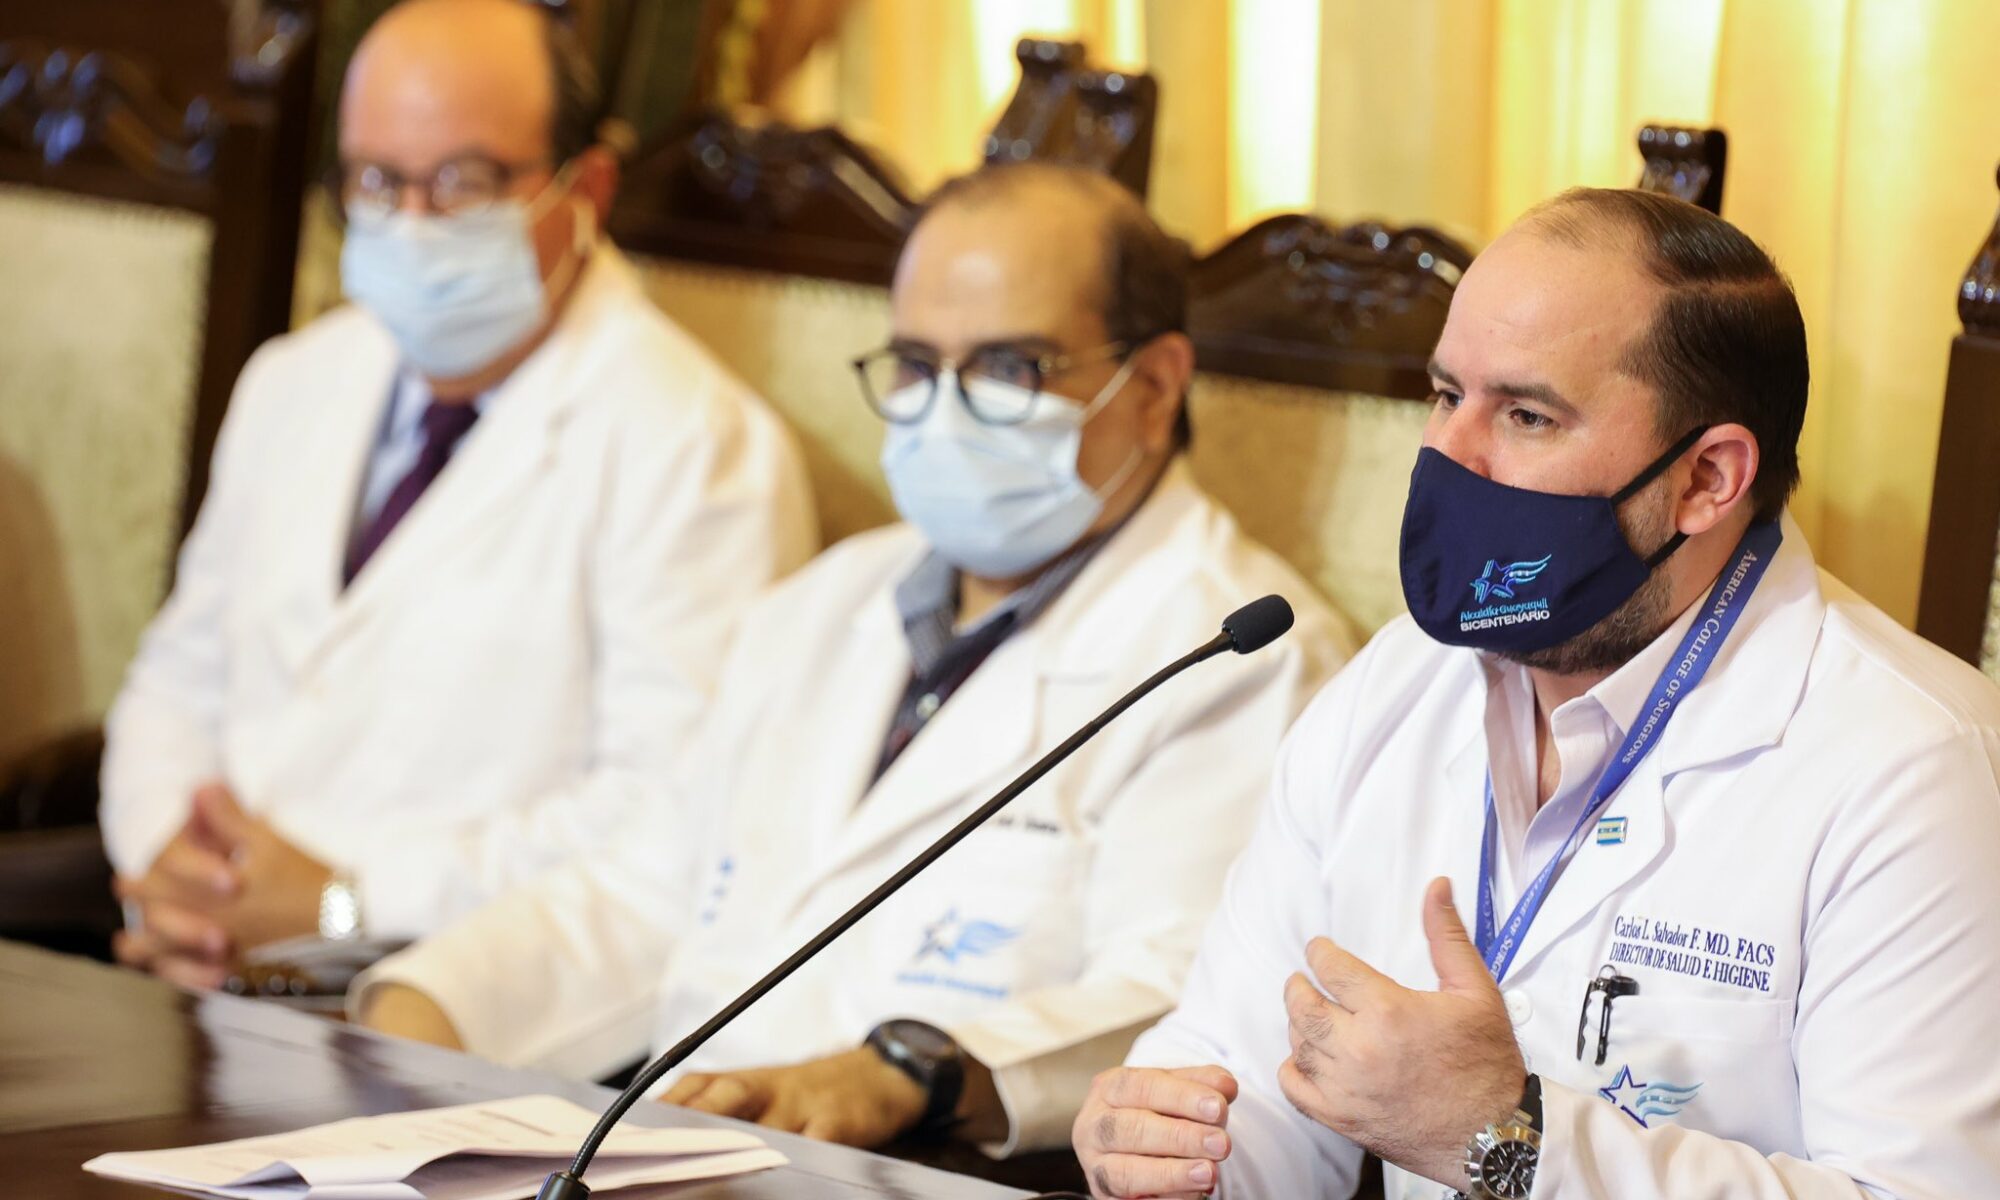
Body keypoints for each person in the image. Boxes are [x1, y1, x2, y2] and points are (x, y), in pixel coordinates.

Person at [353, 163, 1355, 1158]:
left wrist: (904, 1071)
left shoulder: (1236, 656)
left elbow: (1178, 996)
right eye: (917, 364)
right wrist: (433, 1005)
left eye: (1010, 369)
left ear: (1155, 386)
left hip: (928, 1169)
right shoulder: (822, 605)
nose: (946, 410)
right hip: (672, 1156)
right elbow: (647, 889)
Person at [1073, 188, 2000, 1199]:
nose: (1448, 454)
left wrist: (1509, 1142)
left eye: (1525, 415)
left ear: (1705, 479)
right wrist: (1171, 1146)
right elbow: (1248, 1074)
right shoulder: (1395, 683)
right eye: (1444, 396)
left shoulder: (1917, 769)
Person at [101, 0, 816, 988]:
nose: (412, 223)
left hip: (448, 1002)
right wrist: (174, 875)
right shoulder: (293, 378)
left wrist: (345, 905)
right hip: (188, 964)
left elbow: (664, 819)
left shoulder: (699, 448)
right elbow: (178, 676)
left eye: (463, 182)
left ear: (585, 190)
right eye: (375, 180)